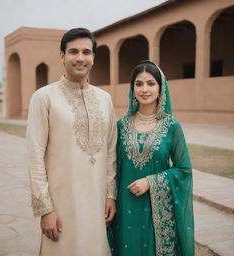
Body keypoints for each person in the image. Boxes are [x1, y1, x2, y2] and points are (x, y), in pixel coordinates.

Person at [26, 28, 117, 256]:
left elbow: (111, 150)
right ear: (62, 56)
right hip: (62, 207)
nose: (80, 58)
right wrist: (45, 209)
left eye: (86, 52)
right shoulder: (44, 97)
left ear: (93, 57)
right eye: (73, 51)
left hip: (97, 204)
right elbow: (35, 157)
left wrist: (110, 195)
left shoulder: (105, 100)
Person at [112, 60, 194, 255]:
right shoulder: (121, 126)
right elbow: (112, 167)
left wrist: (152, 182)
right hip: (126, 206)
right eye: (139, 84)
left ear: (161, 87)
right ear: (132, 89)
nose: (144, 89)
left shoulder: (172, 126)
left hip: (158, 209)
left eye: (151, 83)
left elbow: (184, 170)